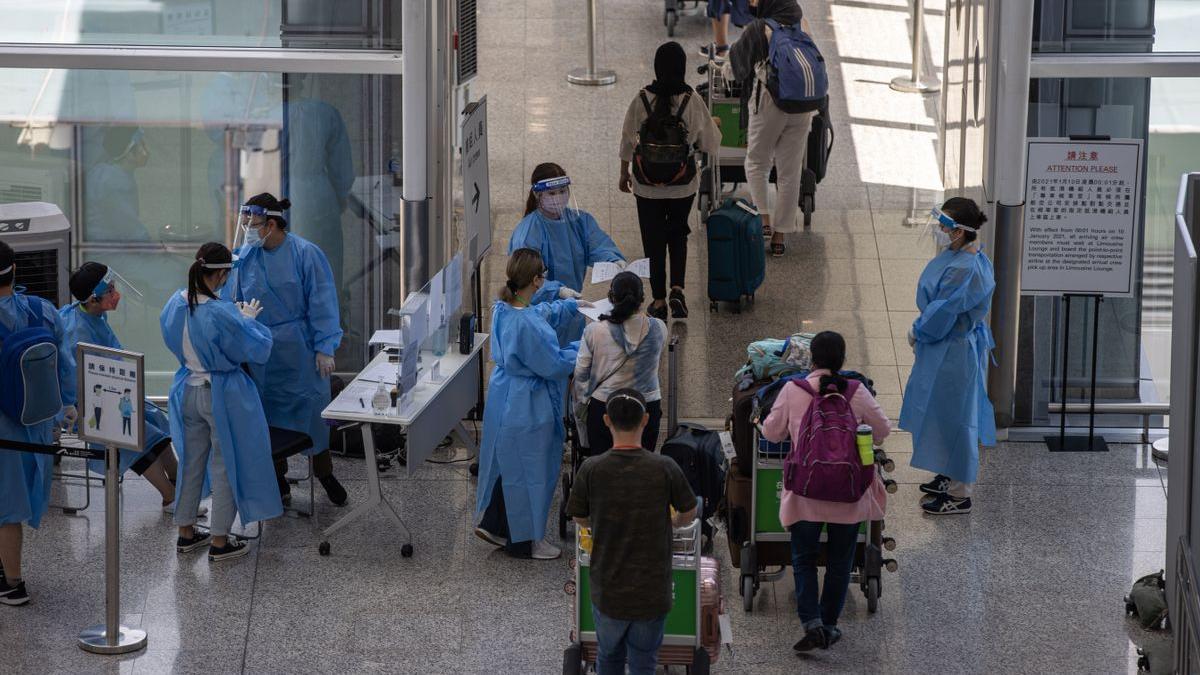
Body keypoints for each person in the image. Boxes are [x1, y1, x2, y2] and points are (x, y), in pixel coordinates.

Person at [761, 331, 889, 651]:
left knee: (803, 558)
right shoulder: (856, 391)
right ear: (842, 360)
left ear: (811, 359)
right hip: (848, 494)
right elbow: (883, 430)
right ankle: (829, 624)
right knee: (840, 561)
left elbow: (773, 434)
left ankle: (812, 622)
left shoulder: (793, 389)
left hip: (805, 492)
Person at [160, 242, 282, 562]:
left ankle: (186, 533)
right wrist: (248, 322)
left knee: (191, 462)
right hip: (221, 394)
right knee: (226, 464)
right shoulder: (221, 311)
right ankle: (219, 541)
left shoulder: (175, 303)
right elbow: (255, 350)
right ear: (222, 275)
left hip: (187, 389)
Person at [225, 193, 348, 507]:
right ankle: (277, 479)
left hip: (300, 351)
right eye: (244, 223)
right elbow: (228, 298)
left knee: (312, 414)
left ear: (271, 224)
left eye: (251, 224)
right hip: (260, 351)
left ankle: (324, 472)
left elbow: (322, 301)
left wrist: (325, 346)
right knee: (265, 416)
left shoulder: (305, 254)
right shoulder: (245, 257)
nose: (246, 229)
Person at [566, 388, 698, 675]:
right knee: (644, 662)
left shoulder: (592, 468)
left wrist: (596, 522)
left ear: (606, 421)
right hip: (652, 592)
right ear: (646, 420)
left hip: (608, 590)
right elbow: (689, 511)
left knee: (609, 658)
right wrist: (672, 523)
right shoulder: (664, 467)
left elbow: (578, 515)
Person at [474, 248, 583, 560]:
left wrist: (570, 306)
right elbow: (553, 363)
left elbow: (540, 312)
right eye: (543, 277)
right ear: (536, 279)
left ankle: (495, 523)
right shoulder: (529, 326)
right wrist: (583, 347)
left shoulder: (504, 308)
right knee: (533, 471)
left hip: (505, 395)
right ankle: (526, 541)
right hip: (528, 403)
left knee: (508, 465)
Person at [59, 262, 190, 514]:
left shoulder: (94, 315)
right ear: (93, 299)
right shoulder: (77, 330)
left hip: (111, 389)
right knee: (133, 433)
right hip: (84, 403)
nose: (115, 293)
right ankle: (169, 496)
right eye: (109, 290)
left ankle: (179, 480)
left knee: (153, 417)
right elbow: (75, 383)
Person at [900, 198, 996, 515]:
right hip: (947, 348)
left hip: (952, 350)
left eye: (943, 226)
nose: (939, 231)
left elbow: (943, 312)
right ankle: (947, 472)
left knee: (958, 421)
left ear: (957, 232)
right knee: (942, 414)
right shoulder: (965, 256)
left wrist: (919, 330)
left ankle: (959, 493)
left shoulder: (964, 269)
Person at [620, 41, 721, 321]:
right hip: (683, 185)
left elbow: (627, 137)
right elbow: (712, 144)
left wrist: (623, 172)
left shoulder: (641, 99)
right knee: (678, 234)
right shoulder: (691, 100)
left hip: (646, 184)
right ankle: (678, 289)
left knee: (652, 240)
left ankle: (659, 300)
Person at [0, 240, 76, 606]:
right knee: (16, 498)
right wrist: (69, 408)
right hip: (35, 421)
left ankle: (12, 582)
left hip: (1, 427)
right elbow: (64, 367)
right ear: (14, 270)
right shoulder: (43, 310)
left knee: (5, 506)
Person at [728, 0, 814, 257]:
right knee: (789, 172)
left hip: (770, 102)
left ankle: (763, 220)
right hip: (802, 104)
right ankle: (780, 236)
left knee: (757, 162)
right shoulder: (802, 22)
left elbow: (734, 70)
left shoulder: (759, 28)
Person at [511, 162, 625, 346]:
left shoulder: (578, 221)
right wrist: (558, 291)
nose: (559, 198)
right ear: (538, 195)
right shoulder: (528, 233)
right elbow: (523, 280)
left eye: (563, 191)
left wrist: (614, 260)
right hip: (540, 314)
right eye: (552, 193)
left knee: (572, 359)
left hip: (572, 310)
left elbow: (597, 243)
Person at [574, 272, 667, 455]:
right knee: (642, 464)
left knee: (603, 466)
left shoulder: (594, 330)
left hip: (604, 407)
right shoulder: (659, 328)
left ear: (611, 298)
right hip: (646, 405)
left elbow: (581, 373)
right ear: (642, 298)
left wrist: (582, 404)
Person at [85, 126, 152, 242]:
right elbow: (131, 229)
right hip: (107, 253)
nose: (147, 151)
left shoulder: (106, 171)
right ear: (129, 154)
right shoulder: (115, 182)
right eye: (142, 145)